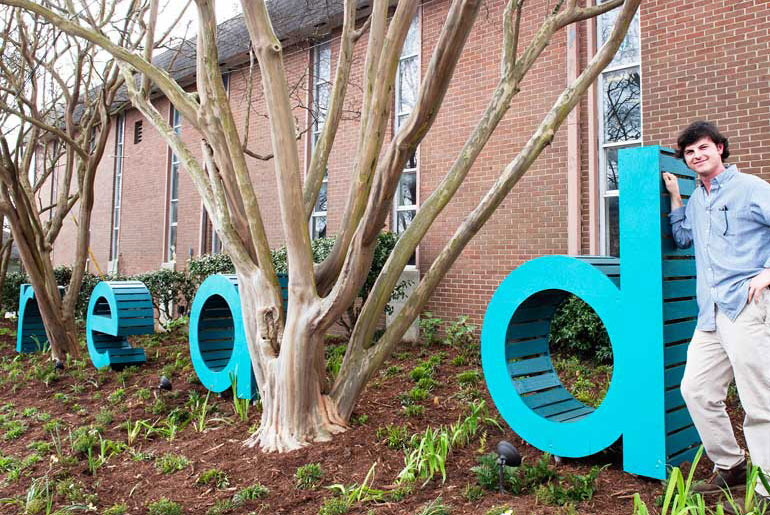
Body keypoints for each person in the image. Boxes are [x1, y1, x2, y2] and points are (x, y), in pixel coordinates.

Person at [662, 121, 770, 513]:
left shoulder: (751, 189)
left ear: (720, 148)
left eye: (704, 148)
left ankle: (768, 489)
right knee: (695, 389)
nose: (697, 156)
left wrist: (768, 273)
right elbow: (684, 238)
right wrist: (676, 197)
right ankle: (731, 464)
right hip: (709, 316)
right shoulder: (696, 200)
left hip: (746, 308)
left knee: (759, 402)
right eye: (690, 152)